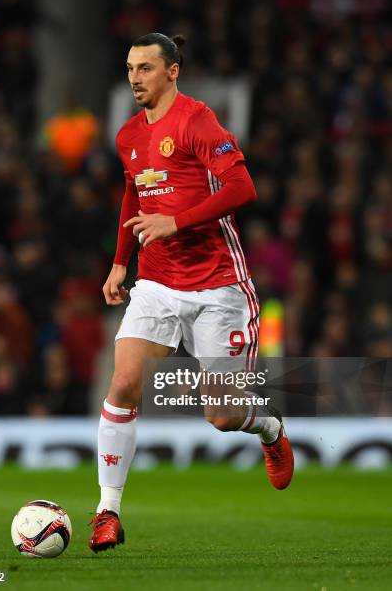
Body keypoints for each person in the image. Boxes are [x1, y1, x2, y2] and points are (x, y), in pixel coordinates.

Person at [89, 33, 294, 553]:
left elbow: (243, 189)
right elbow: (134, 195)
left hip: (217, 286)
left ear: (172, 71)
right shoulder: (128, 135)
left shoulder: (198, 121)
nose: (135, 78)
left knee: (223, 415)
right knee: (124, 384)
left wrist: (175, 222)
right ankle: (107, 512)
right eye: (130, 68)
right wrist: (119, 263)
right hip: (156, 283)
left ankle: (269, 429)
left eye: (146, 69)